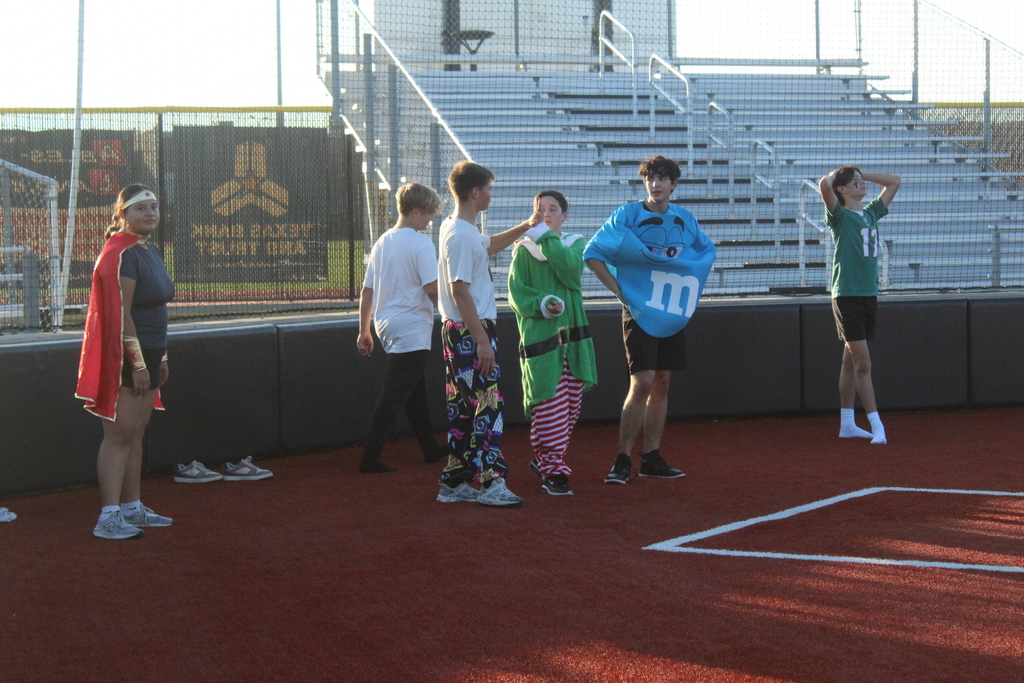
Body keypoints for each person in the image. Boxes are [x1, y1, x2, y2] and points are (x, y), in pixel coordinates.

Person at [583, 155, 716, 484]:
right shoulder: (627, 215)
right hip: (639, 311)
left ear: (674, 184)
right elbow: (593, 253)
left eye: (662, 178)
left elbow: (702, 256)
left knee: (662, 382)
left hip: (671, 311)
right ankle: (623, 458)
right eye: (650, 178)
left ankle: (652, 458)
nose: (656, 184)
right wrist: (621, 293)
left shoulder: (685, 219)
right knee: (641, 381)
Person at [435, 161, 542, 507]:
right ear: (475, 193)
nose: (492, 195)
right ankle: (492, 481)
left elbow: (489, 245)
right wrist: (482, 340)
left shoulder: (457, 228)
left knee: (464, 407)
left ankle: (453, 482)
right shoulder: (460, 235)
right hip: (470, 331)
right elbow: (460, 291)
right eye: (489, 189)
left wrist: (527, 224)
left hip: (460, 330)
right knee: (488, 405)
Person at [76, 184, 175, 540]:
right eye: (140, 208)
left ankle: (132, 508)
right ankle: (109, 516)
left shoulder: (148, 249)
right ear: (122, 215)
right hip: (126, 356)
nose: (150, 213)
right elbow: (120, 314)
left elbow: (157, 308)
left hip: (149, 354)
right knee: (118, 435)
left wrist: (159, 357)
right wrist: (137, 364)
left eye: (154, 207)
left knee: (136, 433)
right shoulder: (120, 252)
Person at [508, 190, 597, 496]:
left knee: (570, 408)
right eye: (540, 209)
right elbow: (517, 294)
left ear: (564, 215)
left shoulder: (574, 244)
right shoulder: (522, 250)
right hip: (542, 344)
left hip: (574, 343)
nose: (546, 214)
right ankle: (552, 468)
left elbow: (572, 274)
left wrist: (546, 238)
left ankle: (547, 460)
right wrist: (544, 302)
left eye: (553, 209)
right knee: (549, 408)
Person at [357, 182, 450, 473]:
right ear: (415, 211)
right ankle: (370, 458)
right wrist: (453, 316)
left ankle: (430, 448)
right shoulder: (420, 243)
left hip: (387, 325)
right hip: (412, 327)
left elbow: (367, 291)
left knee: (414, 390)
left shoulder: (382, 241)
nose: (431, 219)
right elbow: (432, 289)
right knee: (395, 392)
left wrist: (365, 330)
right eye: (428, 214)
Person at [818, 166, 901, 445]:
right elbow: (823, 186)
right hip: (848, 295)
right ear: (842, 190)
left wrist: (862, 174)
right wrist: (835, 175)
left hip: (868, 293)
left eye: (861, 181)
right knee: (863, 363)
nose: (861, 185)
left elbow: (894, 182)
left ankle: (847, 424)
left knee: (850, 361)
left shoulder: (871, 212)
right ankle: (876, 424)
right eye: (854, 183)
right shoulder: (839, 216)